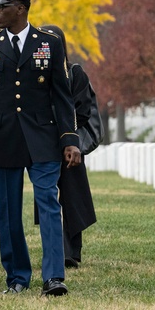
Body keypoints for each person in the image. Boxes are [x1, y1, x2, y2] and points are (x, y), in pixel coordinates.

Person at [0, 0, 81, 296]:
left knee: (48, 205)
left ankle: (53, 277)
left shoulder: (49, 43)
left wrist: (70, 138)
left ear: (20, 8)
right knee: (7, 211)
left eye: (1, 7)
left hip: (43, 137)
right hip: (3, 139)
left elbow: (62, 96)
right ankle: (17, 276)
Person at [38, 25, 97, 268]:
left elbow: (82, 110)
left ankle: (71, 252)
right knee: (49, 198)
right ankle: (55, 249)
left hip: (68, 142)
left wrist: (63, 133)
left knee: (71, 197)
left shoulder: (75, 72)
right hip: (42, 143)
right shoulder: (35, 73)